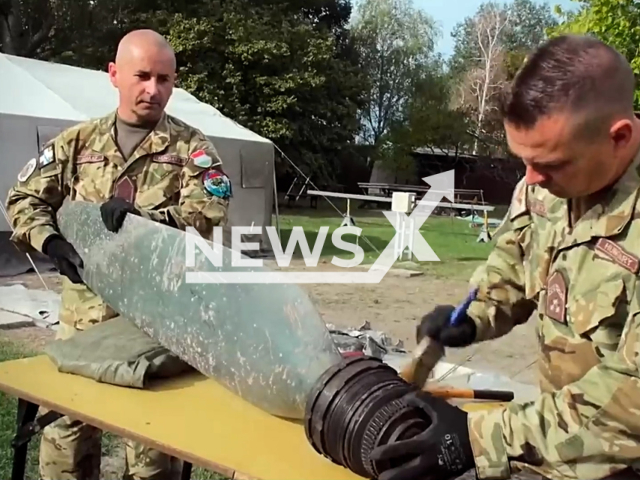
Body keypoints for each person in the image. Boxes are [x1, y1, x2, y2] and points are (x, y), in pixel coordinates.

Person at [369, 34, 640, 480]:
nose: (530, 178)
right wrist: (473, 316)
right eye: (524, 161)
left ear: (619, 137)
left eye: (548, 165)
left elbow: (630, 400)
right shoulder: (544, 186)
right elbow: (514, 262)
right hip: (556, 448)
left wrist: (480, 439)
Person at [5, 29, 231, 480]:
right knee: (65, 451)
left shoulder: (192, 148)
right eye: (142, 76)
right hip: (82, 328)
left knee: (151, 459)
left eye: (164, 79)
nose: (154, 89)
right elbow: (23, 199)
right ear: (114, 75)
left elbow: (208, 213)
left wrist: (143, 218)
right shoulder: (77, 143)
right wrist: (51, 243)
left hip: (152, 329)